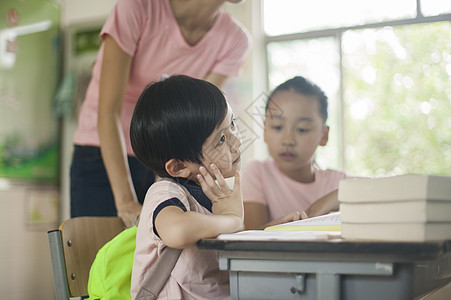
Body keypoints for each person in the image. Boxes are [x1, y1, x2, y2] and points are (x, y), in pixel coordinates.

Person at [70, 0, 251, 227]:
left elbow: (201, 123)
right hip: (103, 151)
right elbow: (108, 111)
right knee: (98, 255)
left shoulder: (235, 40)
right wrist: (126, 203)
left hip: (170, 158)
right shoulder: (137, 8)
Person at [129, 75, 243, 299]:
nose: (237, 141)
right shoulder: (165, 193)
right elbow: (177, 231)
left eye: (232, 124)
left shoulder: (214, 192)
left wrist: (268, 231)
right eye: (221, 139)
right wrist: (232, 218)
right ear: (179, 166)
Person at [242, 76, 347, 230]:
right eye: (277, 127)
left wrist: (336, 196)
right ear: (265, 130)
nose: (288, 140)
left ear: (324, 135)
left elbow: (389, 189)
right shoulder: (257, 172)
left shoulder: (338, 183)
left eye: (302, 129)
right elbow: (252, 238)